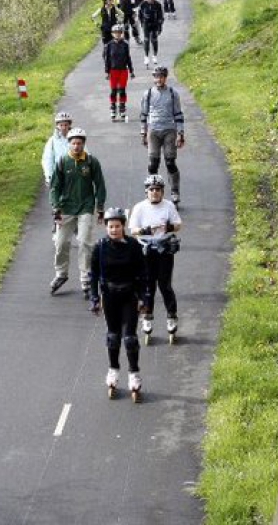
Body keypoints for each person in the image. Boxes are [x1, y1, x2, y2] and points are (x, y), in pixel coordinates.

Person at [90, 206, 148, 399]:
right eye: (110, 226)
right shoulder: (100, 247)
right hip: (110, 296)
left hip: (129, 295)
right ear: (106, 227)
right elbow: (94, 276)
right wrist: (94, 298)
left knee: (130, 338)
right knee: (113, 336)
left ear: (123, 226)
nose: (113, 229)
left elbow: (142, 274)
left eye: (117, 226)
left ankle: (134, 374)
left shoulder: (133, 246)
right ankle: (113, 370)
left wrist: (143, 297)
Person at [49, 127, 106, 297]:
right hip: (66, 207)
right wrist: (55, 207)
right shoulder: (62, 161)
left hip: (86, 207)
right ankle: (61, 274)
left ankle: (86, 276)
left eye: (79, 143)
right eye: (73, 143)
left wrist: (100, 207)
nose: (76, 146)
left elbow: (100, 185)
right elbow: (55, 187)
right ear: (69, 144)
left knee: (84, 242)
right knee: (61, 243)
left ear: (83, 144)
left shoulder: (91, 162)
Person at [129, 174, 182, 341]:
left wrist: (168, 227)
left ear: (162, 191)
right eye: (151, 190)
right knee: (147, 287)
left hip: (163, 249)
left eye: (158, 190)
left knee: (165, 285)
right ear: (146, 191)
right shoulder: (139, 208)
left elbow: (179, 225)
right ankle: (147, 317)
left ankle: (171, 316)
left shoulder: (168, 206)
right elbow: (132, 229)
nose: (154, 193)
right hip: (145, 250)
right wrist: (146, 230)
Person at [139, 65, 185, 205]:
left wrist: (180, 133)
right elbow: (144, 114)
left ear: (165, 78)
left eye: (161, 76)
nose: (158, 79)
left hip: (169, 130)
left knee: (170, 162)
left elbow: (178, 114)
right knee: (153, 164)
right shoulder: (148, 94)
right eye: (156, 76)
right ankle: (152, 190)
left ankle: (175, 191)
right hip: (153, 131)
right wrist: (143, 132)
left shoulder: (172, 93)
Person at [103, 22, 135, 121]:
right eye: (115, 32)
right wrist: (107, 72)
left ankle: (122, 108)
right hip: (113, 70)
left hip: (123, 70)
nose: (117, 34)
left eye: (119, 32)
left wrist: (131, 70)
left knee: (122, 90)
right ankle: (113, 108)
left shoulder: (125, 44)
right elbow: (107, 59)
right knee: (113, 91)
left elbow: (128, 58)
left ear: (121, 33)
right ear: (112, 34)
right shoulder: (109, 45)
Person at [41, 111, 72, 187]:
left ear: (69, 125)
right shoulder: (52, 141)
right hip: (59, 175)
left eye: (66, 125)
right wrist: (49, 176)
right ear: (57, 126)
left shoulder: (75, 138)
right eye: (61, 125)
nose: (64, 128)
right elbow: (48, 159)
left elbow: (85, 154)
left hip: (74, 175)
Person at [137, 0, 164, 67]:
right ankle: (146, 56)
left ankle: (154, 55)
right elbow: (140, 15)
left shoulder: (158, 5)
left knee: (154, 40)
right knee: (146, 40)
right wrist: (142, 23)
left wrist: (160, 26)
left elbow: (161, 16)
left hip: (155, 24)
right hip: (146, 24)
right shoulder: (143, 4)